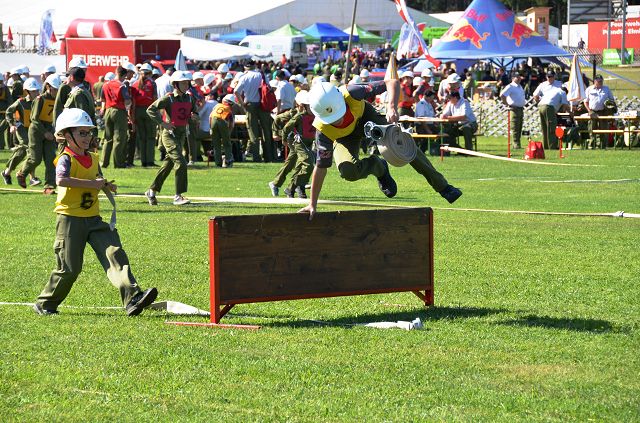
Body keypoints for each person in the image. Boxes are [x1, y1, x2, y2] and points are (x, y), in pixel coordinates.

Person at [33, 108, 158, 316]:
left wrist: (106, 185)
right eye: (81, 133)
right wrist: (93, 184)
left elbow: (96, 179)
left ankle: (132, 298)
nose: (87, 137)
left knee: (114, 254)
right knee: (69, 269)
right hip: (70, 220)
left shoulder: (93, 157)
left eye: (88, 132)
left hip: (94, 219)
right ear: (66, 135)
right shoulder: (65, 158)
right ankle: (45, 303)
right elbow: (61, 180)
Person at [297, 78, 462, 221]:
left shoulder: (352, 91)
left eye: (339, 114)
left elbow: (392, 82)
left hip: (367, 117)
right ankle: (378, 166)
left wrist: (391, 107)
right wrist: (312, 204)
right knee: (348, 171)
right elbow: (321, 167)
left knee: (402, 144)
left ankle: (443, 187)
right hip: (344, 138)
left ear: (341, 100)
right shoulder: (322, 131)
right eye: (332, 119)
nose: (338, 120)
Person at [144, 70, 197, 206]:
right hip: (169, 135)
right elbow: (151, 109)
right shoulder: (168, 98)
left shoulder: (190, 98)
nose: (186, 85)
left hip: (181, 135)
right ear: (175, 84)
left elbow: (194, 112)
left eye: (187, 83)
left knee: (168, 164)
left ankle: (152, 190)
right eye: (183, 83)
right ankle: (178, 196)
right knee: (181, 162)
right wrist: (163, 123)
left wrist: (194, 116)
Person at [16, 74, 61, 194]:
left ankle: (49, 187)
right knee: (35, 159)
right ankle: (22, 173)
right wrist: (45, 132)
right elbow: (34, 119)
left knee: (51, 159)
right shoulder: (40, 99)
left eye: (58, 89)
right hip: (36, 130)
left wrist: (52, 131)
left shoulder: (58, 100)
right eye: (55, 89)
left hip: (49, 131)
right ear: (48, 87)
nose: (56, 91)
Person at [268, 90, 314, 199]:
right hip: (295, 141)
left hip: (304, 142)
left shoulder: (311, 113)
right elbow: (278, 119)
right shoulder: (294, 113)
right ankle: (289, 185)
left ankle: (292, 187)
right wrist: (278, 135)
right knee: (298, 163)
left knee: (296, 164)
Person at [234, 61, 275, 162]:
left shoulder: (244, 77)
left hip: (250, 104)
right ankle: (268, 156)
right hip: (263, 104)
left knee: (253, 131)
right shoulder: (261, 75)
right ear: (254, 66)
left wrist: (242, 103)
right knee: (266, 131)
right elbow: (268, 88)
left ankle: (256, 157)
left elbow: (236, 91)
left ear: (246, 68)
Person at [2, 78, 40, 185]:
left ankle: (7, 172)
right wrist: (11, 125)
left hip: (33, 130)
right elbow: (9, 112)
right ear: (27, 91)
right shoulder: (20, 102)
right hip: (22, 129)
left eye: (37, 90)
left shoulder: (39, 101)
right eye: (33, 91)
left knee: (21, 152)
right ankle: (32, 178)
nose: (36, 93)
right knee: (30, 149)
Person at [100, 65, 131, 168]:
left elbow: (102, 99)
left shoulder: (105, 84)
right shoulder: (122, 86)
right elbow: (127, 100)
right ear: (123, 75)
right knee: (119, 138)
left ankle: (103, 162)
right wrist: (128, 109)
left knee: (107, 138)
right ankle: (118, 163)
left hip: (108, 110)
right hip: (119, 111)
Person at [131, 63, 158, 166]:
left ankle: (143, 161)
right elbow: (155, 99)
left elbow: (133, 102)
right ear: (150, 73)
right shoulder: (152, 84)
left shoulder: (134, 84)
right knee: (150, 136)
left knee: (142, 137)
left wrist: (133, 116)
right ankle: (150, 161)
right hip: (149, 110)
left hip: (138, 111)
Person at [583, 74, 616, 149]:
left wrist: (609, 106)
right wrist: (589, 111)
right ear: (594, 81)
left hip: (603, 112)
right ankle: (591, 145)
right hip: (592, 112)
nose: (600, 82)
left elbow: (611, 100)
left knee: (604, 129)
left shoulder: (606, 89)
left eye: (601, 81)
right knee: (591, 129)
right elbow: (585, 102)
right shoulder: (589, 89)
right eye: (598, 81)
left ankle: (603, 146)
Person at [535, 83, 569, 150]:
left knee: (545, 128)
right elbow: (565, 106)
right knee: (551, 127)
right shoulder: (563, 93)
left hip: (540, 106)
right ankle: (552, 147)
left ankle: (546, 146)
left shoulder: (553, 90)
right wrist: (567, 113)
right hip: (549, 107)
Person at [208, 94, 236, 168]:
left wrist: (210, 128)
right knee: (227, 144)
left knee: (216, 145)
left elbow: (210, 117)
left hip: (213, 122)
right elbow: (231, 124)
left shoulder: (217, 106)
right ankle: (228, 161)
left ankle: (218, 164)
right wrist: (228, 134)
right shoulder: (229, 110)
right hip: (222, 122)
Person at [500, 73, 526, 149]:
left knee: (519, 127)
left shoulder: (520, 86)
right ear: (513, 78)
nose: (519, 78)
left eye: (519, 77)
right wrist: (507, 104)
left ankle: (518, 143)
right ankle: (516, 144)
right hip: (514, 109)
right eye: (517, 77)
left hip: (520, 108)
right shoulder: (510, 86)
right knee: (515, 127)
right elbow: (502, 95)